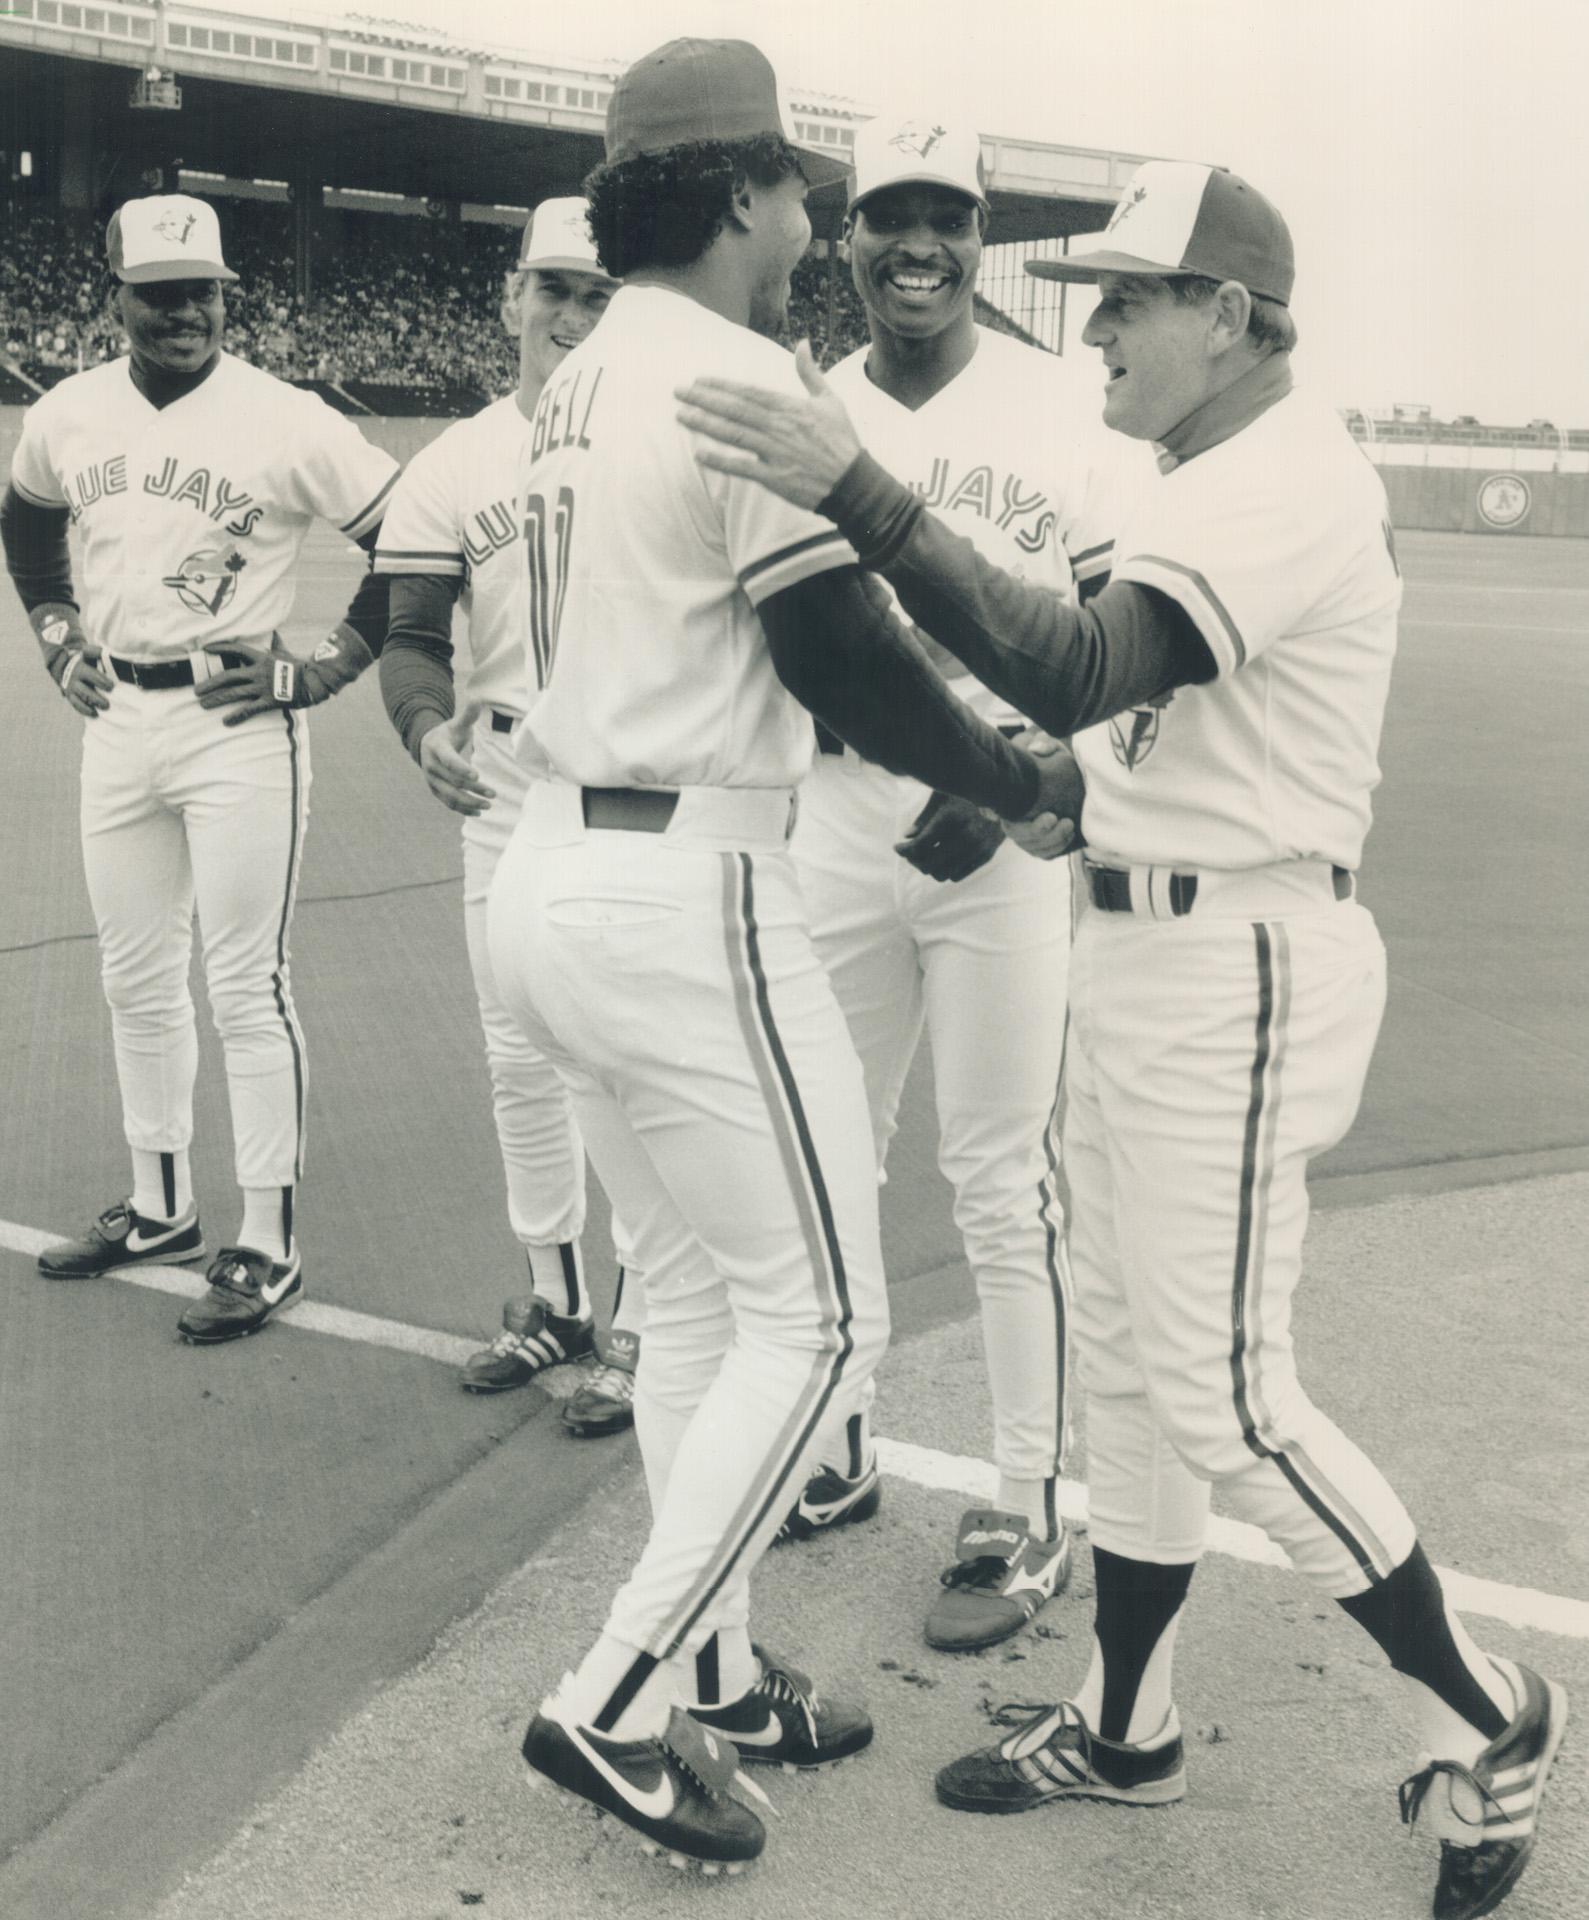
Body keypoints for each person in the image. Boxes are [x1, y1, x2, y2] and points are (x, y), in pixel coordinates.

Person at [675, 159, 1565, 1920]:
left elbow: (1081, 662)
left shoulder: (1284, 478)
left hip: (1236, 963)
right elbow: (1118, 739)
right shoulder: (1197, 473)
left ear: (1226, 316)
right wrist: (1011, 789)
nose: (1096, 328)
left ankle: (1495, 1708)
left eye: (1132, 300)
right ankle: (1130, 1722)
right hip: (1147, 937)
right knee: (1139, 1380)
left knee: (1225, 1392)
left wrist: (855, 491)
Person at [486, 37, 1084, 1874]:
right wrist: (1005, 769)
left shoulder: (581, 373)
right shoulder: (737, 373)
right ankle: (616, 1698)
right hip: (692, 886)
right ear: (743, 193)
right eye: (802, 190)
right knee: (822, 1319)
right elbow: (833, 653)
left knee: (692, 1312)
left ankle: (726, 1674)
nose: (815, 219)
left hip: (550, 873)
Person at [770, 111, 1150, 1655]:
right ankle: (840, 1440)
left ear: (982, 240)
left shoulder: (1066, 409)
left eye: (947, 218)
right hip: (836, 818)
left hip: (995, 838)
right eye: (888, 217)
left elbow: (1121, 647)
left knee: (999, 1179)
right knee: (828, 1151)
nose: (916, 245)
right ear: (846, 237)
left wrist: (1006, 800)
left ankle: (1027, 1497)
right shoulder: (808, 404)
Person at [2, 194, 397, 1344]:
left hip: (237, 726)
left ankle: (266, 1239)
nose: (185, 311)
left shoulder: (285, 418)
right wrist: (54, 634)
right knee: (134, 975)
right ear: (115, 293)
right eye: (160, 290)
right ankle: (162, 1202)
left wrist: (326, 665)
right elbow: (26, 526)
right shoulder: (69, 412)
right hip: (116, 714)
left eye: (203, 290)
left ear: (228, 293)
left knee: (243, 985)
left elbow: (410, 538)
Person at [376, 198, 643, 1434]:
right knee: (516, 1057)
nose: (574, 315)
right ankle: (555, 1297)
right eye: (554, 289)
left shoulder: (657, 438)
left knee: (623, 1061)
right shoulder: (453, 461)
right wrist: (423, 726)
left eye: (598, 293)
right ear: (509, 299)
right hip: (499, 780)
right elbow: (414, 636)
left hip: (633, 784)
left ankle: (650, 1320)